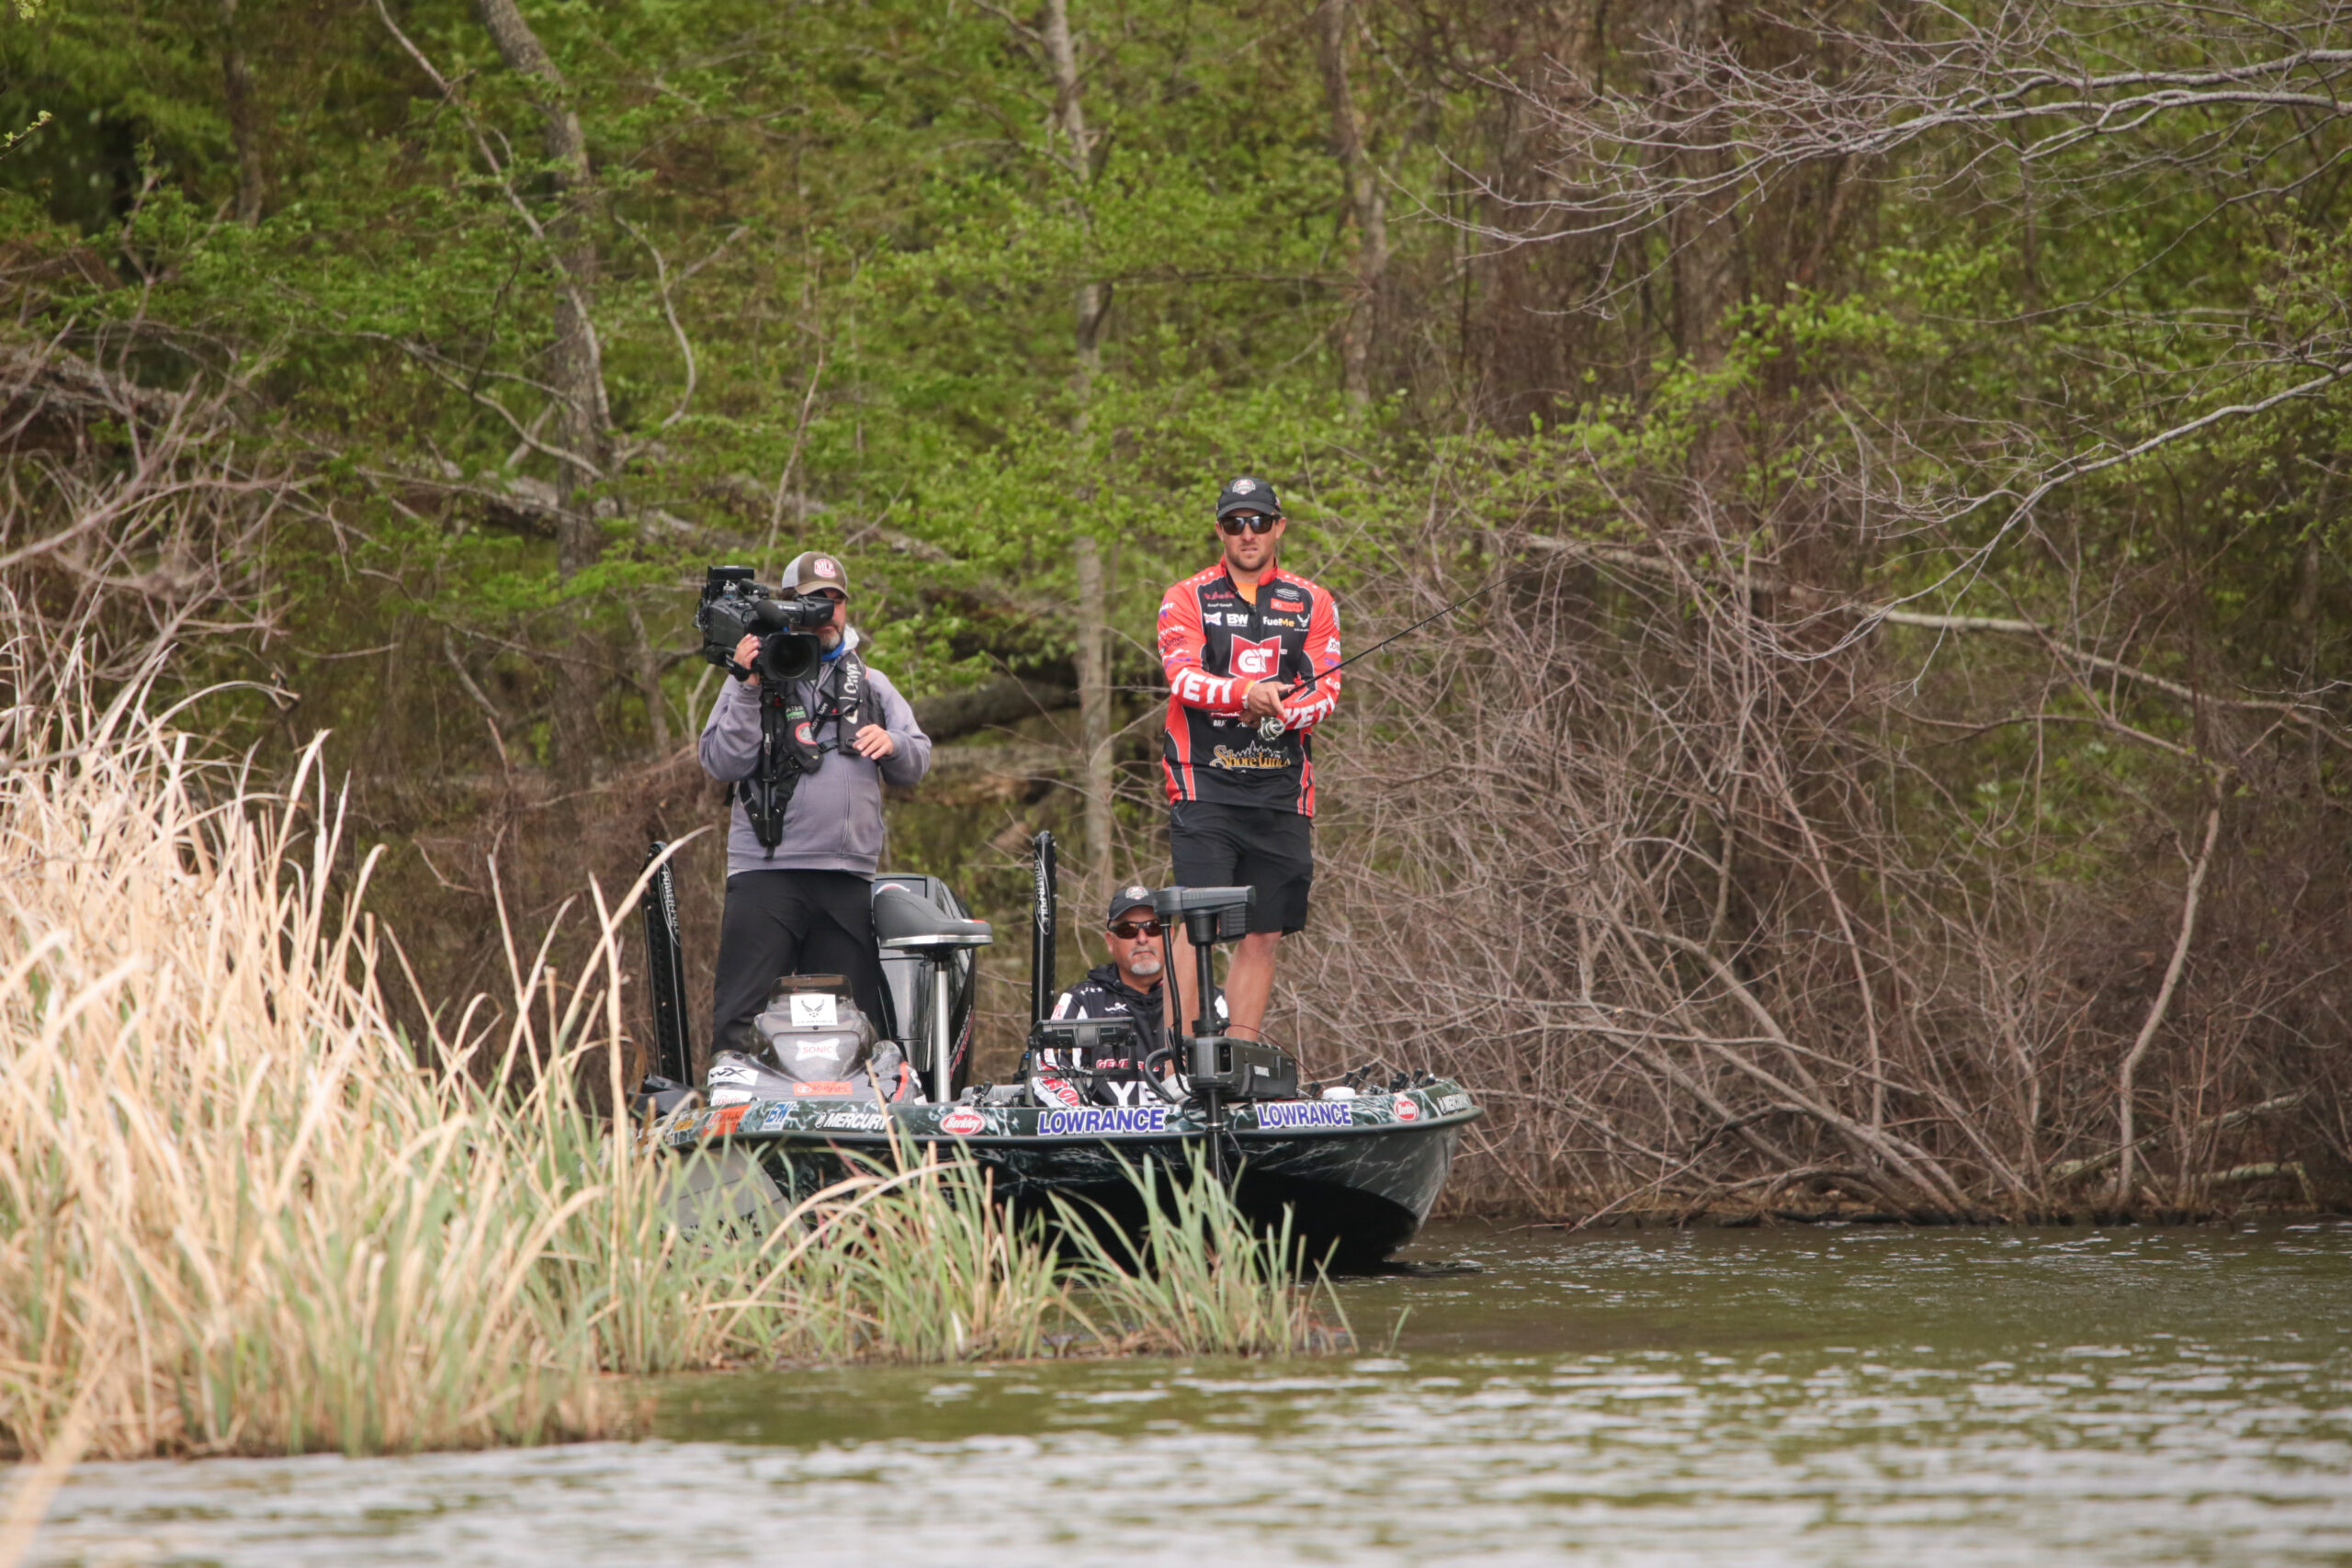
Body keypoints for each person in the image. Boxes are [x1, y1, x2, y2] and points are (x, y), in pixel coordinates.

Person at [699, 549, 932, 1055]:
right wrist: (746, 684)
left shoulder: (871, 683)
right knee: (743, 1017)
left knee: (854, 1024)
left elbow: (917, 760)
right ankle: (736, 1115)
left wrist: (893, 744)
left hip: (846, 878)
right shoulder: (751, 676)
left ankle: (853, 1123)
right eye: (811, 602)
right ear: (788, 606)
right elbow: (720, 762)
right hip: (766, 874)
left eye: (834, 601)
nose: (825, 614)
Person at [1156, 475, 1342, 1043]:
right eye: (1235, 523)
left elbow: (1326, 693)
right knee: (1199, 922)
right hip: (1205, 784)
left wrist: (1280, 711)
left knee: (1264, 931)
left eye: (1259, 521)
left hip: (1282, 790)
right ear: (1220, 530)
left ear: (1278, 527)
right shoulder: (1185, 596)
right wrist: (1245, 694)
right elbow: (1181, 677)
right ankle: (1174, 1059)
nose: (1247, 534)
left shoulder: (1313, 600)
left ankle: (1238, 1056)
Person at [1036, 883, 1224, 1106]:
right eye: (1128, 930)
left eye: (1153, 927)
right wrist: (1094, 1122)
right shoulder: (1082, 1001)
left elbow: (1236, 1077)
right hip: (1106, 1137)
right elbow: (1048, 1075)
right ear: (1110, 941)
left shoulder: (1210, 1000)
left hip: (1189, 1136)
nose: (1142, 938)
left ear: (1170, 935)